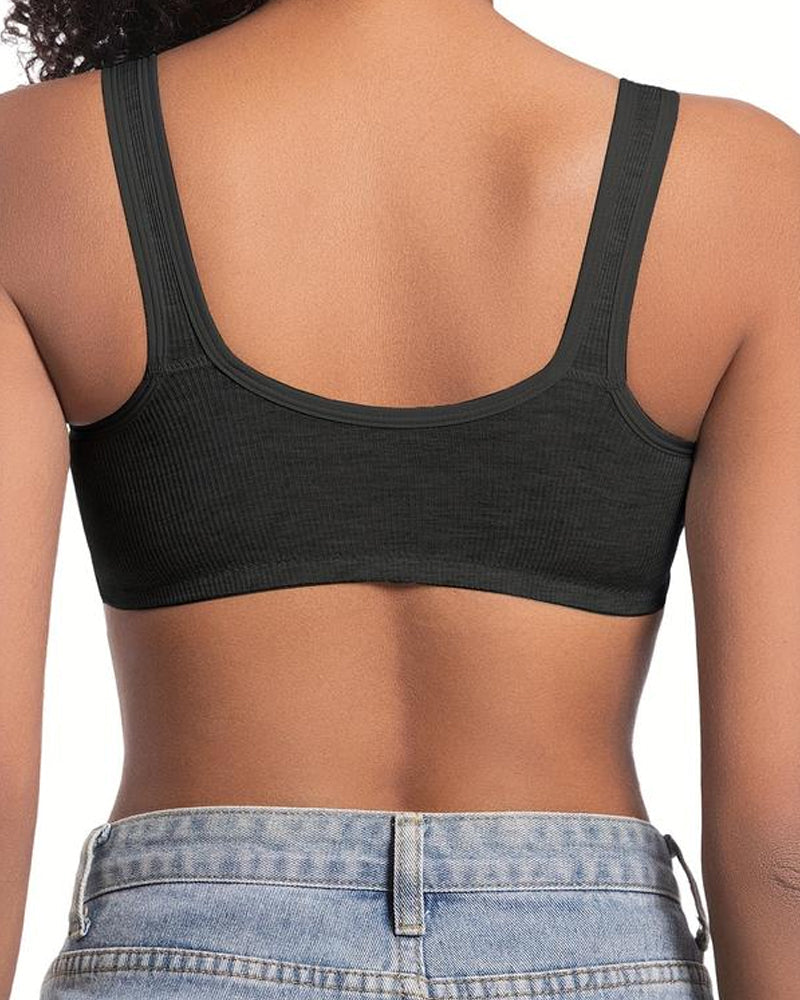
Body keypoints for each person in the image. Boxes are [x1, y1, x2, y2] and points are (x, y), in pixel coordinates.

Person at [1, 0, 798, 997]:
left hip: (188, 948)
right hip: (592, 957)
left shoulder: (40, 164)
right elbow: (782, 826)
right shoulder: (741, 186)